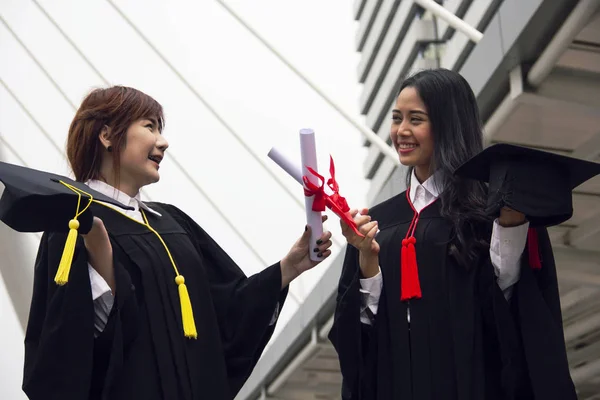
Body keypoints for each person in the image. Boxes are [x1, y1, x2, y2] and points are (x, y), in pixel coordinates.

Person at [19, 86, 333, 400]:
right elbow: (65, 353)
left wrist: (288, 268)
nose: (163, 141)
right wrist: (105, 268)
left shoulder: (171, 222)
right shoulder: (74, 223)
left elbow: (225, 313)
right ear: (107, 135)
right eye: (149, 126)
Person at [329, 69, 580, 399]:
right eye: (396, 118)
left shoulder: (488, 215)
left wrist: (509, 228)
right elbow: (360, 338)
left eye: (415, 119)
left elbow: (510, 316)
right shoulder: (379, 223)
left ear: (447, 125)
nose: (401, 131)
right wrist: (368, 261)